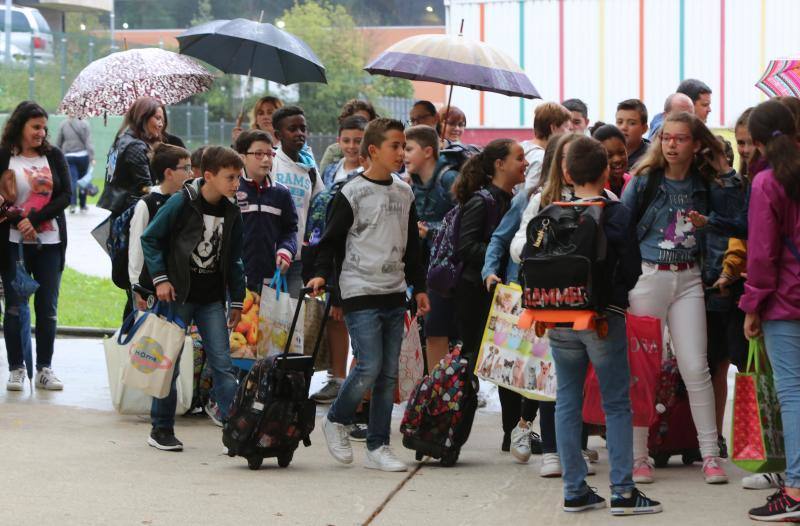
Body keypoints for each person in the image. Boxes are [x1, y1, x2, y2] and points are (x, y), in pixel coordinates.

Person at [620, 111, 744, 485]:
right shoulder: (644, 180)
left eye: (681, 138)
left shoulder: (706, 182)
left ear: (696, 143)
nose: (672, 144)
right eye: (667, 138)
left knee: (695, 366)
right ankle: (639, 455)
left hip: (690, 278)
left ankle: (709, 454)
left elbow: (737, 215)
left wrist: (722, 165)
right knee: (644, 369)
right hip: (648, 278)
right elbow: (622, 230)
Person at [546, 136, 661, 515]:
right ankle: (623, 492)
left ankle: (574, 489)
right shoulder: (615, 213)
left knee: (567, 399)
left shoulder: (552, 211)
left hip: (560, 317)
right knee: (616, 403)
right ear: (606, 171)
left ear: (566, 172)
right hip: (602, 319)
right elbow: (630, 269)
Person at [308, 118, 430, 472]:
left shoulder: (405, 192)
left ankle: (378, 446)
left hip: (394, 291)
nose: (401, 153)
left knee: (388, 374)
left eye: (404, 146)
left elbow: (413, 249)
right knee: (369, 365)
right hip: (358, 290)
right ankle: (336, 418)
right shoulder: (350, 192)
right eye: (395, 146)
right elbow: (329, 242)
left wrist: (418, 286)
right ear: (373, 150)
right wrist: (321, 276)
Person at [140, 146, 245, 451]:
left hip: (212, 299)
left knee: (223, 364)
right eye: (230, 177)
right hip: (178, 296)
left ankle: (235, 432)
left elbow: (236, 258)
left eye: (238, 177)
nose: (236, 184)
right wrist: (160, 278)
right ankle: (161, 429)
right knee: (167, 363)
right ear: (208, 176)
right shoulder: (181, 202)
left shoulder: (232, 209)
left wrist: (237, 299)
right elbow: (151, 238)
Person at [505, 133, 594, 477]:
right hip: (548, 301)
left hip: (586, 301)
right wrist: (536, 251)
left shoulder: (603, 199)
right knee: (550, 376)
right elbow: (517, 242)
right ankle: (554, 452)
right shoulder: (541, 199)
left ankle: (576, 448)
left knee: (581, 379)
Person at [740, 100, 800, 522]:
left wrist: (751, 306)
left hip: (785, 299)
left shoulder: (766, 183)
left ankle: (795, 489)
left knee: (793, 395)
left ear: (758, 143)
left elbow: (761, 255)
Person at [1, 101, 71, 392]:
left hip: (49, 242)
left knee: (47, 308)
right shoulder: (5, 155)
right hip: (12, 244)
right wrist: (19, 220)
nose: (41, 133)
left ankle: (44, 368)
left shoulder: (53, 155)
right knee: (16, 307)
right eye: (35, 127)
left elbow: (65, 195)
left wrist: (35, 218)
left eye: (44, 127)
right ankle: (16, 368)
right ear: (20, 127)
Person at [454, 139, 528, 371]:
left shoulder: (514, 199)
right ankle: (461, 405)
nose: (525, 163)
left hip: (498, 290)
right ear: (500, 164)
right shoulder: (482, 200)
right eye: (519, 158)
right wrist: (507, 253)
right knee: (473, 358)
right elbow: (465, 246)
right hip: (475, 291)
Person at [404, 124, 459, 367]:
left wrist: (431, 230)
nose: (403, 155)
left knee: (440, 329)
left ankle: (445, 389)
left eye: (408, 148)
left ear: (428, 151)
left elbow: (465, 222)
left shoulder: (449, 179)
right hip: (422, 266)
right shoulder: (410, 183)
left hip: (448, 269)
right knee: (427, 328)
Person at [128, 144, 193, 312]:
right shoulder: (147, 204)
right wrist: (136, 287)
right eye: (186, 168)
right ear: (169, 173)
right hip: (150, 286)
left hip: (180, 287)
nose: (191, 173)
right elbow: (136, 248)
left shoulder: (189, 200)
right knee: (151, 336)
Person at [234, 129, 298, 291]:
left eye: (270, 154)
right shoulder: (230, 190)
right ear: (242, 157)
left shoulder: (281, 193)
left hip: (272, 281)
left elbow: (290, 229)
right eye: (258, 154)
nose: (265, 159)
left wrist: (285, 251)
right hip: (236, 281)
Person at [271, 106, 324, 297]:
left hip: (298, 257)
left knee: (292, 321)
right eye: (292, 129)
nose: (300, 133)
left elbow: (318, 209)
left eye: (303, 128)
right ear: (278, 134)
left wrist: (312, 243)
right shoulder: (271, 161)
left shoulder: (310, 169)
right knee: (262, 321)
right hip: (271, 257)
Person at [98, 96, 164, 215]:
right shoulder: (135, 146)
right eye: (157, 118)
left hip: (119, 210)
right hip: (133, 212)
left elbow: (110, 176)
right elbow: (145, 187)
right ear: (143, 117)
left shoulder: (119, 140)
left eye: (162, 120)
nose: (161, 124)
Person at [522, 102, 572, 190]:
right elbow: (529, 192)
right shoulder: (541, 158)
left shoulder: (523, 146)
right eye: (567, 127)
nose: (569, 133)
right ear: (553, 128)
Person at [319, 100, 377, 174]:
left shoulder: (380, 153)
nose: (351, 146)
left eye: (363, 122)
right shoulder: (333, 151)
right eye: (354, 121)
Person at [55, 117, 93, 214]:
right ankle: (83, 205)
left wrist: (56, 157)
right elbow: (88, 142)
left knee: (72, 181)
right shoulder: (84, 124)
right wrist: (92, 157)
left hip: (69, 156)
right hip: (83, 156)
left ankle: (72, 205)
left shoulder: (63, 124)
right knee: (83, 181)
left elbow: (58, 143)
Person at [322, 116, 368, 189]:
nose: (351, 146)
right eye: (346, 141)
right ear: (339, 141)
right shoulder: (328, 172)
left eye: (358, 141)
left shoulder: (373, 174)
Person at [592, 124, 631, 197]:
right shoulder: (594, 189)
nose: (617, 159)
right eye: (609, 155)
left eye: (621, 152)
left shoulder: (632, 183)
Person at [615, 99, 649, 170]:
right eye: (620, 122)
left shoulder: (651, 158)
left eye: (632, 123)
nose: (623, 127)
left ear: (644, 128)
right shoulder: (607, 153)